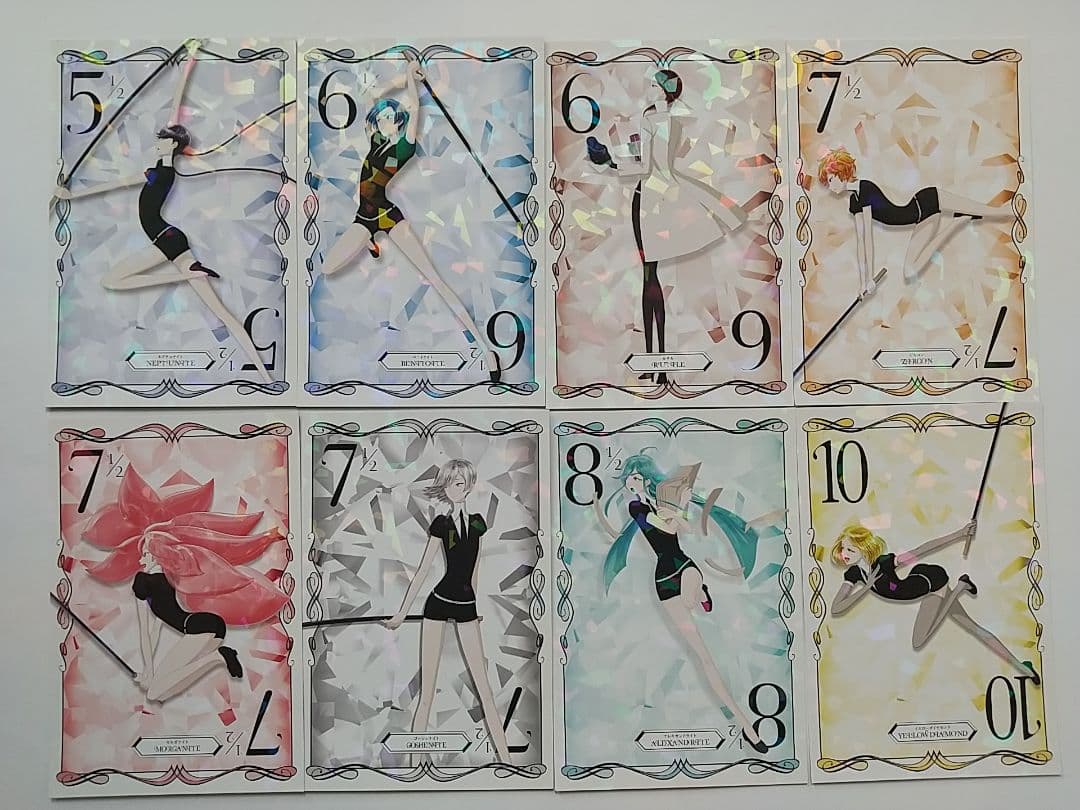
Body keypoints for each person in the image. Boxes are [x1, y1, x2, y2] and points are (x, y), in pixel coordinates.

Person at [50, 40, 272, 383]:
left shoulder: (162, 171)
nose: (155, 141)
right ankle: (265, 376)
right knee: (222, 312)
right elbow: (117, 181)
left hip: (165, 238)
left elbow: (172, 109)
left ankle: (186, 277)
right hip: (169, 239)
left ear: (171, 143)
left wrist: (191, 58)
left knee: (112, 280)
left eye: (161, 138)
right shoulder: (156, 169)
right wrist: (71, 195)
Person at [318, 55, 502, 383]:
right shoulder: (375, 140)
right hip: (364, 219)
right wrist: (403, 77)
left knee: (434, 278)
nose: (384, 121)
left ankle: (486, 351)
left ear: (399, 124)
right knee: (328, 267)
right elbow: (372, 96)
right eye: (381, 118)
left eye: (390, 118)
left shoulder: (402, 150)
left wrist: (411, 85)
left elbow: (415, 109)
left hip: (389, 217)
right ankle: (372, 244)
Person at [597, 452, 770, 755]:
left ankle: (700, 593)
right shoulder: (636, 506)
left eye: (635, 476)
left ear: (645, 478)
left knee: (691, 596)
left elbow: (685, 529)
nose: (630, 481)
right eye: (628, 478)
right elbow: (665, 528)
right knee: (703, 656)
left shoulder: (663, 501)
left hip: (685, 568)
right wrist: (675, 512)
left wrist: (680, 509)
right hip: (664, 579)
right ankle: (746, 725)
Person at [587, 69, 748, 382]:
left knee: (651, 277)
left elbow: (645, 165)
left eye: (651, 85)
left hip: (650, 201)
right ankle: (655, 361)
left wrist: (607, 161)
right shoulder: (665, 119)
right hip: (658, 197)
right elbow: (649, 161)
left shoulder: (655, 120)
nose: (647, 89)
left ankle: (655, 362)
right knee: (652, 277)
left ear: (662, 90)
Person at [78, 467, 289, 701]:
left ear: (154, 553)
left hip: (197, 627)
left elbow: (146, 634)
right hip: (208, 626)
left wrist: (148, 670)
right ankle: (217, 658)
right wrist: (149, 673)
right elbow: (156, 629)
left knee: (155, 692)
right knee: (159, 689)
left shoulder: (143, 581)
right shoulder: (169, 577)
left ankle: (217, 658)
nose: (140, 558)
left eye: (144, 552)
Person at [383, 459, 511, 763]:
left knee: (485, 690)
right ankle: (414, 766)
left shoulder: (477, 523)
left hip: (466, 605)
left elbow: (474, 568)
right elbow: (423, 571)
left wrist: (476, 605)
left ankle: (507, 762)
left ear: (469, 485)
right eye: (450, 483)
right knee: (427, 692)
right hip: (438, 603)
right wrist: (402, 613)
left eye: (460, 483)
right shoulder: (442, 524)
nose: (455, 488)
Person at [830, 521, 1039, 683]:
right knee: (971, 627)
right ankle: (1023, 667)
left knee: (919, 640)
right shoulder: (854, 574)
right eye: (843, 548)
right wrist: (865, 588)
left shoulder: (883, 563)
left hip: (931, 582)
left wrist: (960, 533)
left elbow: (921, 550)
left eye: (850, 550)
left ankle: (960, 588)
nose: (844, 554)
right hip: (919, 579)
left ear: (864, 548)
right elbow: (837, 608)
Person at [815, 147, 1014, 296]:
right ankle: (957, 222)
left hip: (926, 201)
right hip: (922, 219)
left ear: (841, 173)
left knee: (990, 211)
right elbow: (860, 241)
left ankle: (1010, 210)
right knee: (910, 272)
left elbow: (868, 240)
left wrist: (868, 280)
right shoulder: (854, 201)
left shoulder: (865, 190)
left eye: (830, 180)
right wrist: (863, 283)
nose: (830, 186)